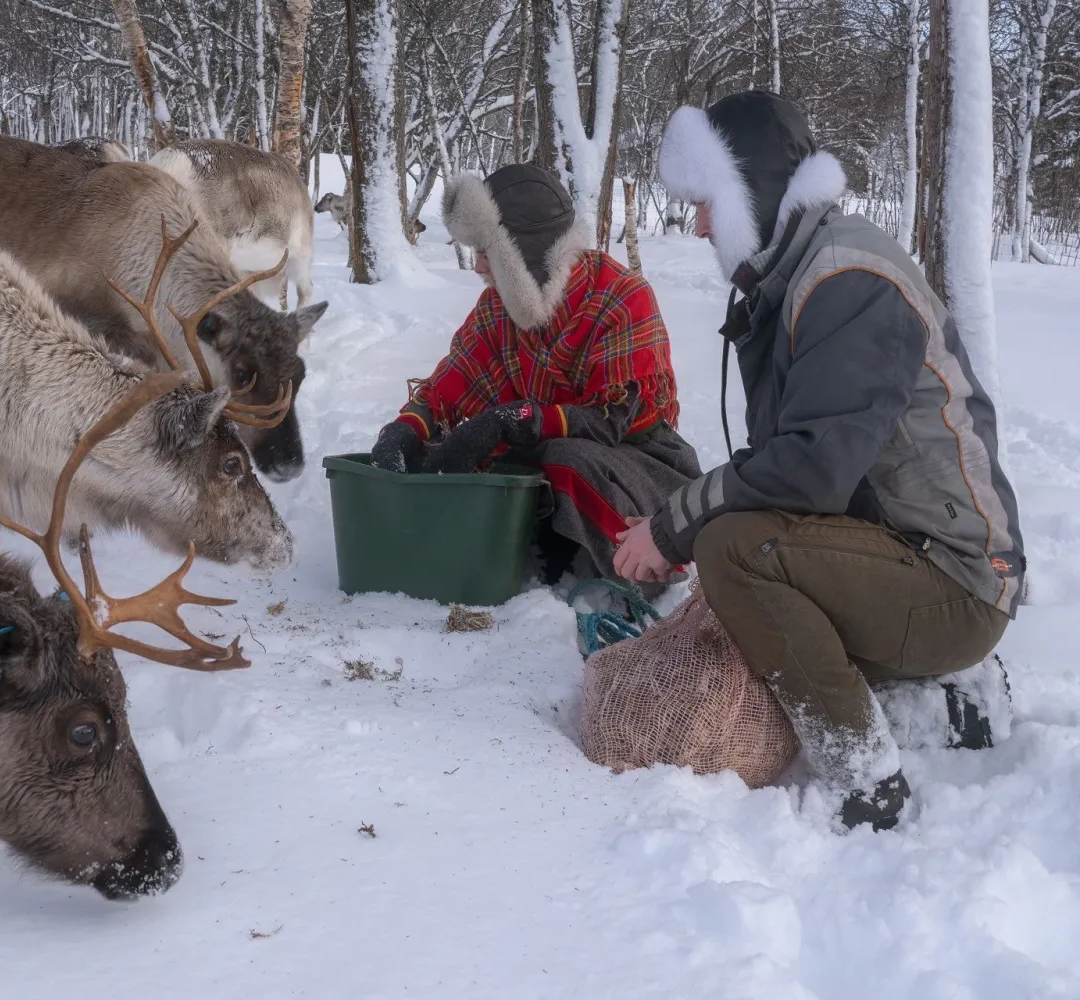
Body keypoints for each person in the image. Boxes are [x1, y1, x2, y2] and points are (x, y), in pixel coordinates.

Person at [613, 90, 1024, 831]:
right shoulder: (799, 272)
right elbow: (785, 462)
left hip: (957, 579)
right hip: (911, 554)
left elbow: (808, 473)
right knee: (748, 565)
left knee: (732, 550)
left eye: (708, 201)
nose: (698, 222)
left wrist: (675, 526)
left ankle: (868, 779)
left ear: (752, 192)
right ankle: (948, 697)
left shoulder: (846, 279)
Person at [368, 164, 700, 589]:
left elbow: (616, 418)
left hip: (642, 466)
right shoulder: (498, 307)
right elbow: (452, 383)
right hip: (546, 450)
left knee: (566, 459)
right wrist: (406, 427)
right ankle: (535, 550)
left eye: (486, 250)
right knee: (452, 451)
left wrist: (521, 418)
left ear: (520, 252)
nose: (479, 266)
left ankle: (644, 569)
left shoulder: (622, 296)